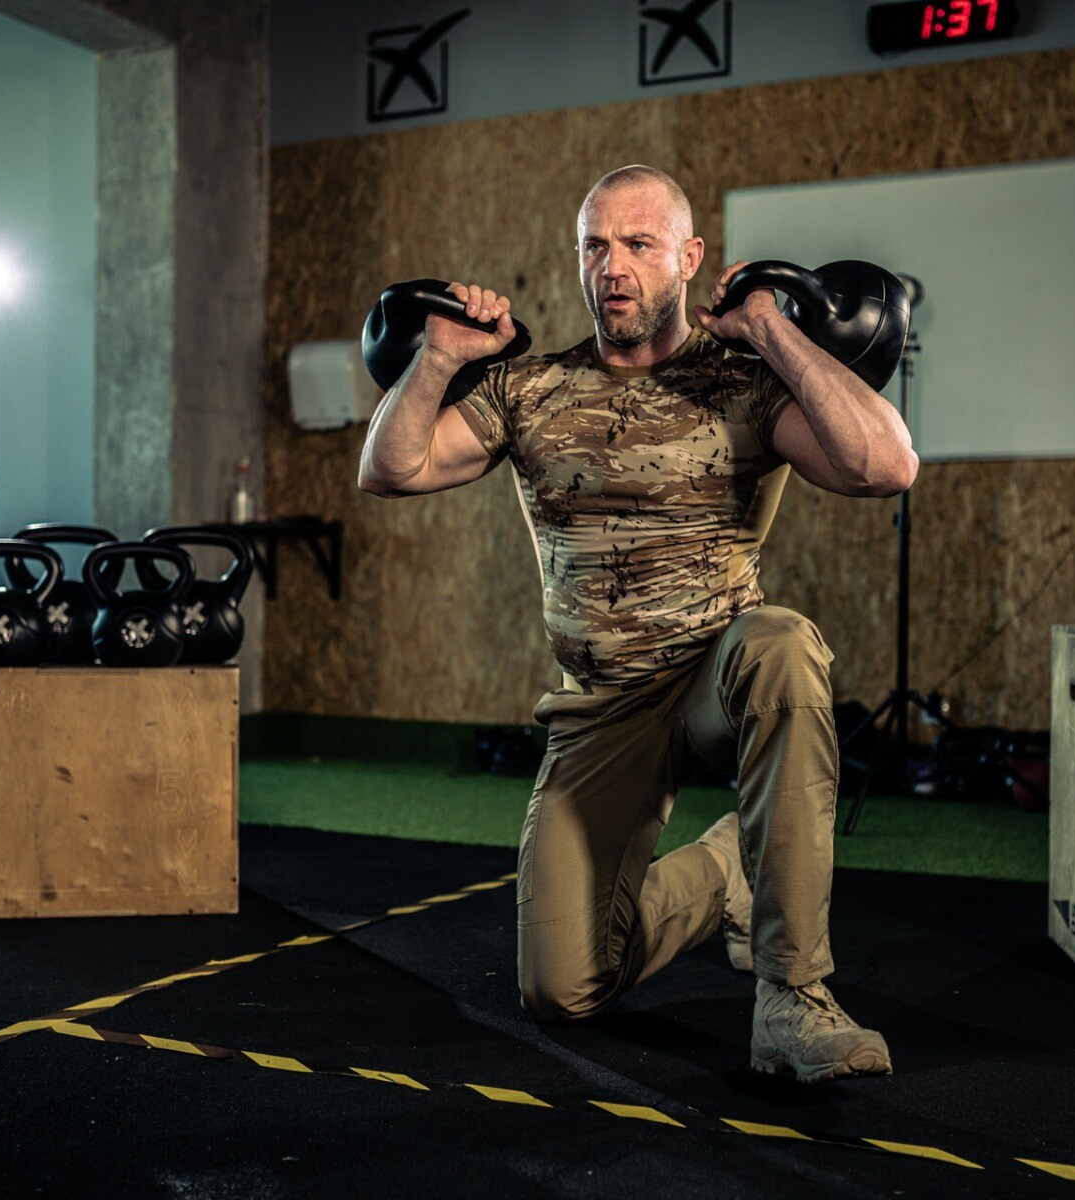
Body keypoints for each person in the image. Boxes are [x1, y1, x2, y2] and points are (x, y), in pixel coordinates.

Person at [358, 165, 918, 1082]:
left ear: (690, 258)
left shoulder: (745, 382)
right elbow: (392, 469)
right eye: (595, 246)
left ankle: (794, 998)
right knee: (563, 989)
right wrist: (442, 357)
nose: (611, 267)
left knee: (780, 642)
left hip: (716, 682)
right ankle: (725, 876)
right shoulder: (529, 390)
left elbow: (884, 466)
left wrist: (772, 328)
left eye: (638, 244)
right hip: (602, 709)